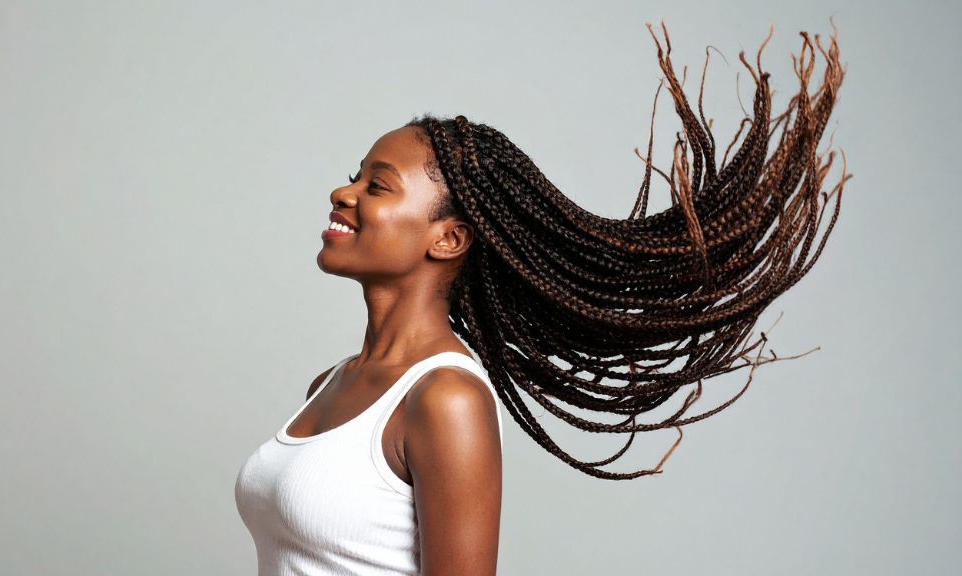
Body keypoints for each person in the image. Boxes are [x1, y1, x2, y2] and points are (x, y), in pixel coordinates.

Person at [235, 21, 848, 576]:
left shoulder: (446, 401)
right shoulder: (330, 383)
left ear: (449, 238)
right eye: (354, 174)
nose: (343, 193)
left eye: (377, 186)